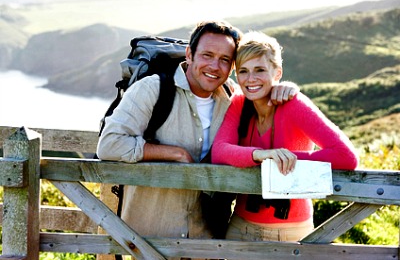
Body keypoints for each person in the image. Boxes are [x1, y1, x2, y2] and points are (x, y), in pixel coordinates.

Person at [97, 21, 299, 259]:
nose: (215, 66)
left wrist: (282, 88)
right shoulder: (152, 89)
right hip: (150, 240)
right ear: (189, 54)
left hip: (207, 241)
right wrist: (173, 153)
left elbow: (262, 103)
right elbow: (109, 144)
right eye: (207, 55)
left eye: (225, 59)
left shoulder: (232, 98)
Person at [211, 31, 359, 243]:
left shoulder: (293, 104)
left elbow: (346, 156)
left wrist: (287, 159)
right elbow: (219, 152)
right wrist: (263, 155)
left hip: (290, 231)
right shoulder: (239, 102)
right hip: (240, 226)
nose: (250, 79)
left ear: (277, 73)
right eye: (243, 71)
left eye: (260, 70)